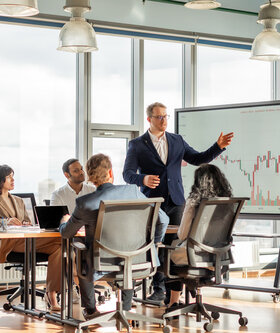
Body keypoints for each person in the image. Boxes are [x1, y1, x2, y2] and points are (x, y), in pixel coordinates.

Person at [122, 101, 234, 302]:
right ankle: (158, 289)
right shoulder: (137, 145)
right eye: (159, 117)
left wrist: (218, 147)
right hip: (152, 202)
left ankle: (175, 291)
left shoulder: (177, 140)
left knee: (176, 243)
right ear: (149, 119)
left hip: (176, 201)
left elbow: (199, 159)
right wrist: (143, 179)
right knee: (156, 244)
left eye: (166, 116)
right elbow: (127, 174)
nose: (164, 120)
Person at [59, 153, 169, 320]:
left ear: (90, 177)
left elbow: (66, 233)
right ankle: (125, 308)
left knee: (80, 249)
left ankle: (90, 310)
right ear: (111, 173)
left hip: (101, 264)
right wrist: (154, 245)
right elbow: (164, 220)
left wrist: (63, 221)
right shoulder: (134, 192)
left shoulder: (85, 203)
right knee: (128, 254)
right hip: (138, 260)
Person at [0, 165, 61, 311]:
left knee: (59, 247)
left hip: (26, 239)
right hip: (9, 243)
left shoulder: (18, 200)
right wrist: (5, 222)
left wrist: (25, 223)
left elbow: (26, 220)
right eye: (9, 176)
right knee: (60, 241)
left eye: (13, 176)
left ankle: (51, 294)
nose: (13, 179)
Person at [165, 164, 233, 309]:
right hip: (219, 257)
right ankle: (189, 289)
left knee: (167, 252)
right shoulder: (227, 202)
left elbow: (182, 234)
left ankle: (173, 301)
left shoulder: (193, 202)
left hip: (195, 256)